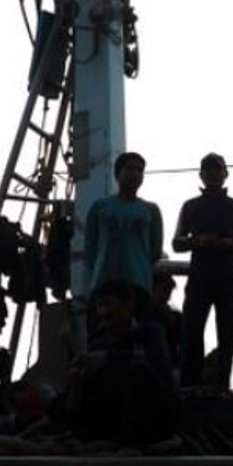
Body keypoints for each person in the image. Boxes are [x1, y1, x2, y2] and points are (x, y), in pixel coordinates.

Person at [172, 153, 233, 390]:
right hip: (200, 276)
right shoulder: (191, 206)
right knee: (191, 334)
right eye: (207, 170)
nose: (212, 174)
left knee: (230, 337)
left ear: (225, 173)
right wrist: (197, 241)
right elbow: (177, 242)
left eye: (216, 169)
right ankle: (190, 388)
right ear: (201, 175)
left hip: (228, 276)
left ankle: (222, 386)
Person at [66, 278, 180, 448]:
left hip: (152, 417)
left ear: (128, 305)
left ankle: (129, 443)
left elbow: (159, 367)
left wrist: (108, 358)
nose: (104, 311)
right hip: (114, 417)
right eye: (100, 305)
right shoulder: (97, 343)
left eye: (109, 304)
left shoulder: (150, 333)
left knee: (139, 372)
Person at [85, 151, 166, 360]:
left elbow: (155, 250)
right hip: (103, 283)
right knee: (98, 339)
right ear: (117, 173)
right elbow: (90, 246)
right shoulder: (99, 207)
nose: (136, 174)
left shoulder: (151, 210)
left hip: (138, 285)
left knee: (137, 343)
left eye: (140, 170)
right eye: (130, 168)